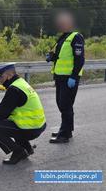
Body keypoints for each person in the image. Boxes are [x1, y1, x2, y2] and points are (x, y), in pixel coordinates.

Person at [0, 63, 46, 165]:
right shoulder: (20, 83)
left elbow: (1, 114)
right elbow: (4, 109)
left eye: (1, 76)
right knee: (11, 122)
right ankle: (27, 148)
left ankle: (18, 152)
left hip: (30, 128)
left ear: (9, 75)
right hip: (37, 125)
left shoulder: (14, 89)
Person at [46, 11, 85, 143]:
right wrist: (51, 57)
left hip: (69, 78)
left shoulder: (76, 37)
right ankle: (67, 129)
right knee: (61, 104)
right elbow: (60, 56)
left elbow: (80, 59)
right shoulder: (63, 37)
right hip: (59, 77)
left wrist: (74, 76)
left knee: (65, 105)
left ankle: (64, 134)